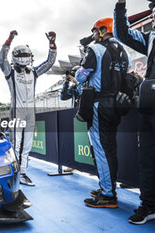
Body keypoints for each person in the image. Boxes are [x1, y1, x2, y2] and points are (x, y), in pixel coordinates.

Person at [75, 17, 130, 208]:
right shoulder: (123, 51)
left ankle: (108, 195)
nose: (93, 35)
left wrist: (79, 68)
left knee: (101, 150)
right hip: (116, 103)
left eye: (95, 31)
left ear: (103, 30)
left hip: (100, 104)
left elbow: (80, 76)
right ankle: (107, 187)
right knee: (109, 149)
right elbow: (126, 75)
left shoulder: (95, 49)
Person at [114, 0, 155, 224]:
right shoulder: (151, 38)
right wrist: (121, 5)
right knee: (148, 160)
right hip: (149, 105)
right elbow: (122, 33)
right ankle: (149, 205)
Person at [0, 30, 57, 186]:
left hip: (31, 112)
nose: (25, 58)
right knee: (15, 144)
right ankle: (13, 172)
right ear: (16, 57)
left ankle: (22, 172)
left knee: (27, 144)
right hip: (17, 110)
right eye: (21, 55)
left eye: (27, 55)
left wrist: (52, 44)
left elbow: (49, 62)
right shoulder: (10, 72)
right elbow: (1, 59)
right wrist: (9, 40)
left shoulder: (34, 72)